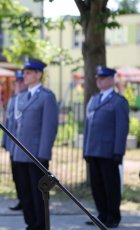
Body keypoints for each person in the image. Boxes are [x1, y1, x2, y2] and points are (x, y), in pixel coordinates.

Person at [12, 57, 59, 230]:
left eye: (29, 72)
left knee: (39, 193)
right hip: (20, 154)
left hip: (36, 155)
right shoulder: (22, 97)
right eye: (24, 72)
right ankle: (31, 224)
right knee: (25, 193)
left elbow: (49, 127)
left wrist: (43, 154)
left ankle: (41, 225)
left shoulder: (46, 97)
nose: (25, 75)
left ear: (38, 75)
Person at [83, 65, 129, 228]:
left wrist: (118, 151)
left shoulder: (118, 101)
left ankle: (113, 216)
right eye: (97, 78)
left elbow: (121, 128)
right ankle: (102, 214)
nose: (99, 81)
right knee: (97, 185)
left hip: (109, 151)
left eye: (102, 78)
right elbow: (88, 126)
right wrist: (85, 149)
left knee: (111, 186)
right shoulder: (94, 99)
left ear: (111, 80)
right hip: (94, 150)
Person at [2, 70, 27, 211]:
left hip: (23, 146)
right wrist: (5, 141)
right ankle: (21, 200)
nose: (18, 84)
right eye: (16, 81)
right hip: (13, 145)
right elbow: (8, 122)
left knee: (25, 177)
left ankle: (27, 201)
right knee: (16, 176)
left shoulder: (25, 98)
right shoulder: (13, 99)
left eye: (20, 81)